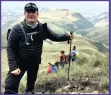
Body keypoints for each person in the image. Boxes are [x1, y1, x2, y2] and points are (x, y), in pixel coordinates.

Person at [4, 3, 74, 94]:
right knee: (10, 86)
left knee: (31, 87)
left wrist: (67, 36)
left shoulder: (42, 28)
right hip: (19, 62)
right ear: (24, 13)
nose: (31, 14)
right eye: (28, 12)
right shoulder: (16, 29)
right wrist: (13, 66)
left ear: (37, 14)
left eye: (33, 12)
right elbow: (10, 48)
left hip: (34, 62)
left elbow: (54, 36)